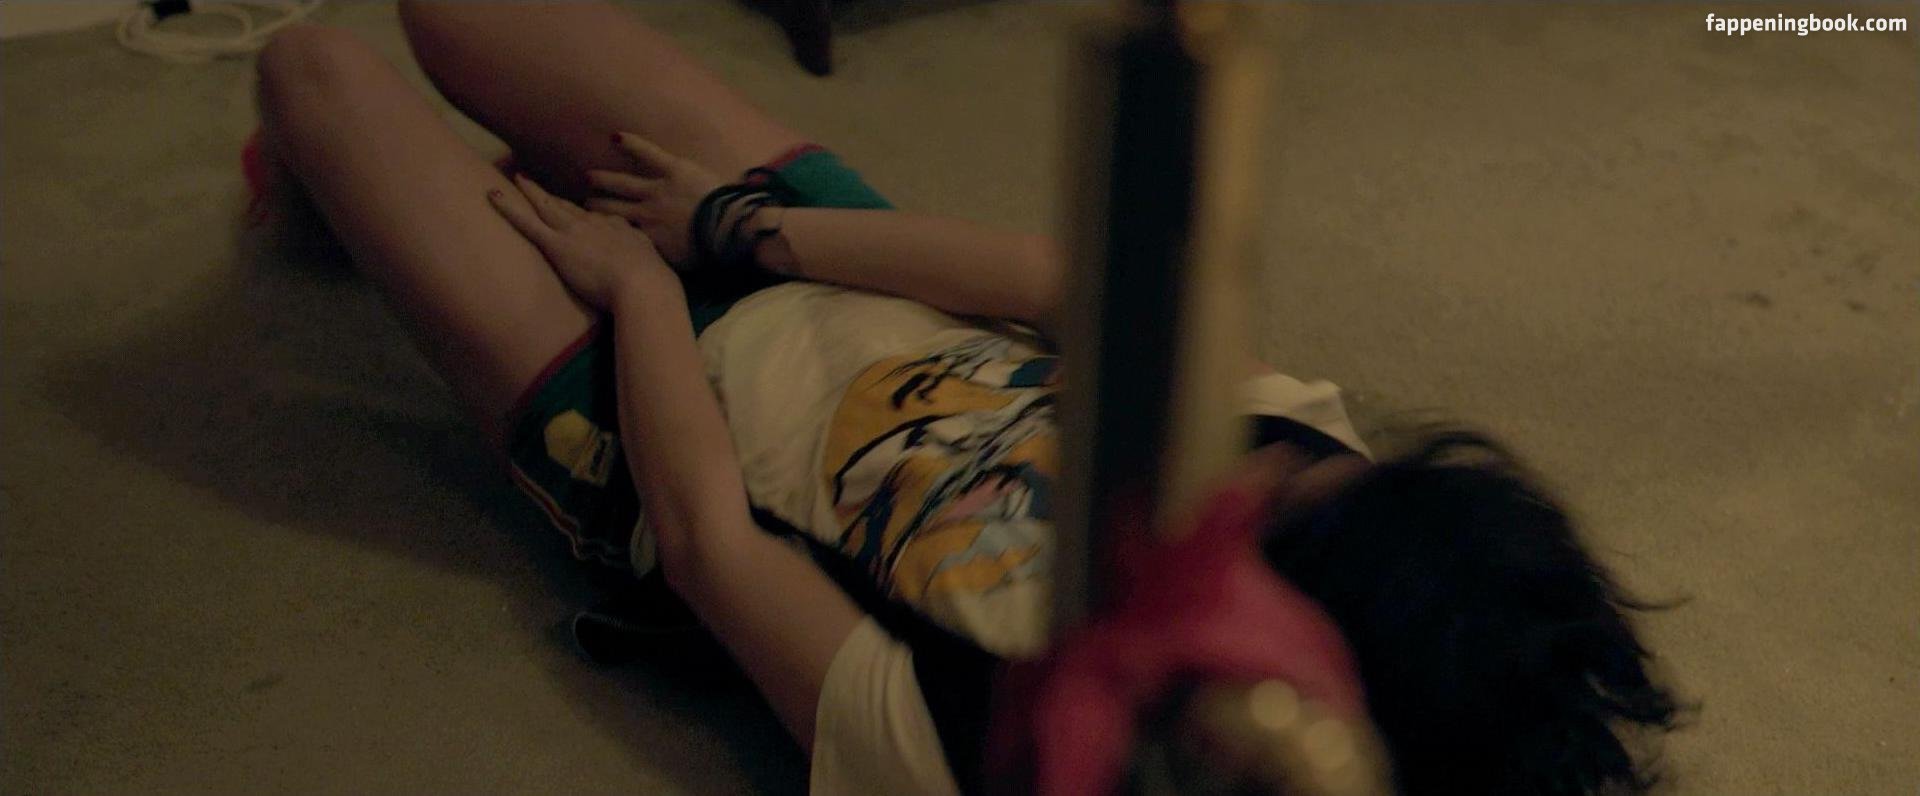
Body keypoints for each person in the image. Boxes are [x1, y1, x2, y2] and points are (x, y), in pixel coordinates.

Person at [251, 3, 1682, 793]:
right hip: (835, 263)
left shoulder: (990, 742)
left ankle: (353, 196)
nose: (1253, 477)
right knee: (462, 12)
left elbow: (708, 543)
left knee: (311, 66)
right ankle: (421, 203)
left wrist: (639, 291)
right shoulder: (1316, 464)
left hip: (644, 414)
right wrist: (744, 229)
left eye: (1276, 528)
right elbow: (1068, 286)